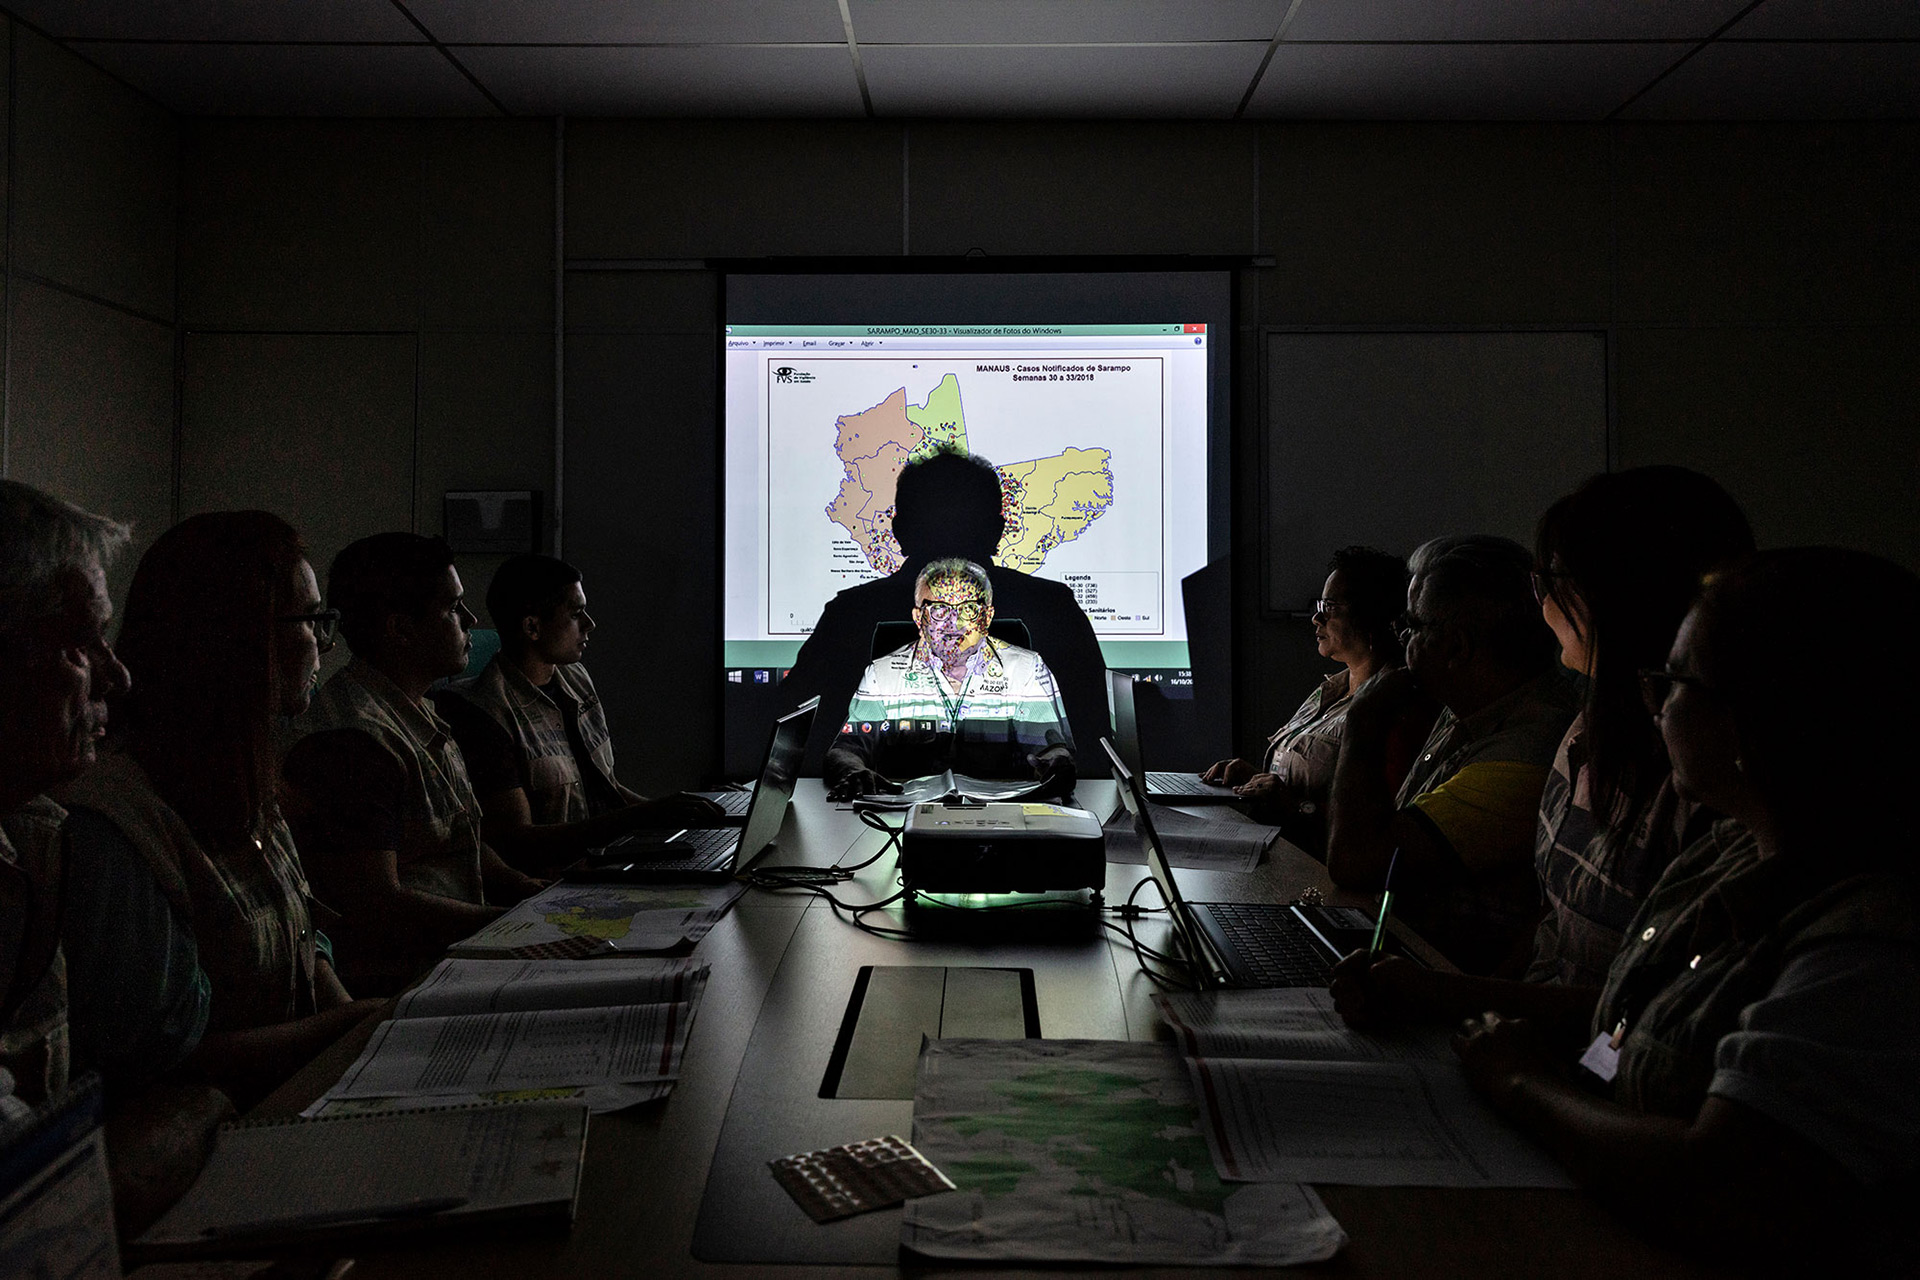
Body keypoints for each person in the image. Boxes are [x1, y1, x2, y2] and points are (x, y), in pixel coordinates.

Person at [1449, 549, 1920, 1269]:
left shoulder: (1873, 945)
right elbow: (1628, 1020)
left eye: (1676, 682)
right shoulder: (1732, 848)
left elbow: (1720, 1185)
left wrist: (1518, 1082)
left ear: (1763, 717)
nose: (1655, 703)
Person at [1333, 468, 1756, 1022]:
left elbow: (1648, 1013)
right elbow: (1551, 928)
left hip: (1578, 1067)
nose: (1539, 597)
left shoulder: (1701, 774)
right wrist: (1474, 1013)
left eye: (1550, 578)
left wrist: (1457, 1004)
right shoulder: (1581, 734)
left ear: (1609, 596)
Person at [61, 513, 387, 1111]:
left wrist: (353, 1017)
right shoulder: (116, 824)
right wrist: (354, 1026)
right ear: (235, 636)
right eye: (310, 621)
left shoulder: (244, 776)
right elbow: (156, 1067)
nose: (322, 643)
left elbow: (302, 937)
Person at [0, 480, 230, 1235]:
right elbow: (39, 1212)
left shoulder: (30, 831)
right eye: (75, 644)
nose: (118, 675)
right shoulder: (90, 827)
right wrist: (207, 1102)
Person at [282, 533, 544, 994]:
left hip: (452, 970)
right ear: (401, 629)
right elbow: (378, 904)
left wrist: (540, 896)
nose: (470, 621)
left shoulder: (421, 711)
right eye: (453, 609)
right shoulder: (352, 743)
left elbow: (458, 846)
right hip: (403, 990)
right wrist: (515, 927)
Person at [1325, 534, 1579, 974]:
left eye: (1413, 628)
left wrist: (1362, 722)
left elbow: (1356, 862)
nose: (1402, 641)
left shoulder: (1527, 750)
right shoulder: (1467, 702)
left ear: (1457, 648)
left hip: (1442, 990)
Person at [780, 445, 1108, 776]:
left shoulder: (848, 615)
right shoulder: (1054, 607)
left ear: (899, 532)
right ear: (997, 531)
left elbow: (792, 742)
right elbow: (1096, 739)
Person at [433, 554, 721, 871]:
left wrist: (678, 813)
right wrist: (644, 817)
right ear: (532, 627)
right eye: (576, 614)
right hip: (562, 879)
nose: (589, 624)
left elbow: (604, 788)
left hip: (614, 857)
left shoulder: (576, 678)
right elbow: (517, 842)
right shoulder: (484, 712)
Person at [1201, 546, 1423, 847]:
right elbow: (1300, 786)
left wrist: (1295, 806)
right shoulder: (1332, 689)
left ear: (1371, 615)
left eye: (1330, 606)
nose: (1316, 618)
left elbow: (1382, 824)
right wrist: (1256, 779)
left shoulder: (1396, 705)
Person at [825, 557, 1074, 800]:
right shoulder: (883, 673)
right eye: (939, 610)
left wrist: (1058, 762)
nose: (954, 623)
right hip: (902, 820)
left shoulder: (1027, 668)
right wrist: (854, 771)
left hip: (1004, 821)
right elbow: (847, 749)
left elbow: (1051, 749)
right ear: (918, 619)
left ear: (987, 618)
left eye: (968, 609)